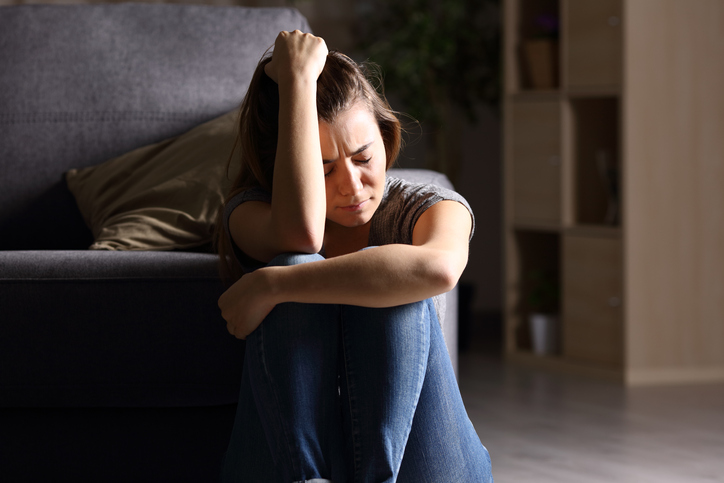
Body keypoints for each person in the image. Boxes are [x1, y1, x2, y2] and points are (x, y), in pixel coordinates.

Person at [216, 30, 493, 483]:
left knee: (393, 274)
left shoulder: (428, 206)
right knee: (294, 261)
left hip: (422, 470)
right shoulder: (253, 211)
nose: (350, 185)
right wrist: (298, 81)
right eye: (323, 169)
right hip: (285, 469)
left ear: (385, 138)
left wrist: (271, 285)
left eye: (364, 157)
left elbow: (438, 268)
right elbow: (301, 235)